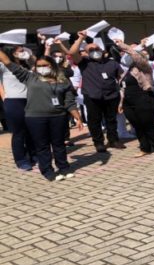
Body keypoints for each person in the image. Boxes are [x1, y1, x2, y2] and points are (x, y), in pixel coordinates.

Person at [0, 49, 83, 181]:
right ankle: (47, 171)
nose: (42, 68)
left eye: (45, 65)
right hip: (35, 118)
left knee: (59, 144)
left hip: (58, 116)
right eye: (39, 66)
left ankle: (64, 168)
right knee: (42, 145)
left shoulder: (63, 81)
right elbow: (7, 62)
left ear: (52, 66)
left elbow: (69, 102)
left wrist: (77, 117)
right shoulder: (29, 77)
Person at [69, 32, 125, 153]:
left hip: (111, 95)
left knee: (111, 119)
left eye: (97, 48)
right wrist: (80, 38)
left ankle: (113, 140)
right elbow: (72, 53)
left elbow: (120, 77)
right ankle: (98, 143)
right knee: (94, 121)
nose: (95, 50)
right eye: (91, 49)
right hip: (92, 96)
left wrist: (121, 92)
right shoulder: (84, 62)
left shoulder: (112, 63)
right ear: (86, 52)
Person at [115, 40, 154, 158]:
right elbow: (122, 88)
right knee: (137, 125)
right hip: (128, 101)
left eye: (131, 50)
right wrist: (121, 103)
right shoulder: (124, 71)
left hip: (144, 98)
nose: (127, 53)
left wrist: (125, 45)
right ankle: (145, 148)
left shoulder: (145, 67)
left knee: (149, 124)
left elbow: (135, 56)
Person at [0, 45, 35, 170]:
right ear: (12, 53)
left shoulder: (27, 65)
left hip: (31, 101)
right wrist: (4, 96)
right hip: (14, 101)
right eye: (21, 51)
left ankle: (34, 155)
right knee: (19, 132)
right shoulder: (3, 66)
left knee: (32, 130)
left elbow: (36, 60)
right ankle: (21, 160)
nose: (24, 53)